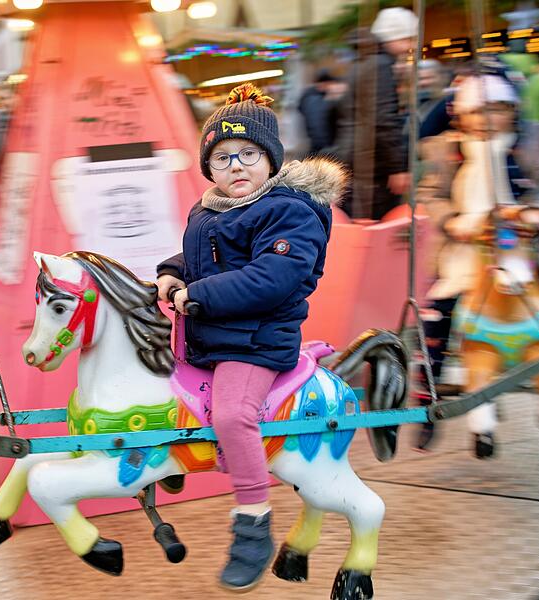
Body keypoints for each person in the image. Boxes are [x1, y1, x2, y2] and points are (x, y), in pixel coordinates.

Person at [155, 83, 346, 591]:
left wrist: (197, 295)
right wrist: (171, 273)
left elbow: (271, 277)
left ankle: (253, 519)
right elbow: (201, 257)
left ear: (270, 159)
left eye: (248, 154)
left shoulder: (290, 211)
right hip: (209, 335)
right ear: (209, 168)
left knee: (232, 414)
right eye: (222, 158)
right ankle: (166, 460)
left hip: (257, 339)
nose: (235, 166)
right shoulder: (211, 208)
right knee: (154, 383)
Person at [415, 73, 528, 450]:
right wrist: (453, 221)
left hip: (516, 251)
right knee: (438, 318)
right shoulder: (449, 151)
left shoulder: (527, 150)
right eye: (477, 112)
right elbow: (432, 195)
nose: (486, 120)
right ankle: (428, 397)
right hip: (463, 252)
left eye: (496, 110)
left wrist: (534, 213)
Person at [332, 7, 417, 220]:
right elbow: (384, 120)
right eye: (408, 39)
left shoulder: (361, 63)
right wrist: (397, 167)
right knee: (378, 226)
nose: (412, 46)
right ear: (393, 37)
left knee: (361, 223)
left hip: (355, 157)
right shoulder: (381, 66)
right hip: (372, 164)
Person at [297, 69, 345, 154]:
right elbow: (319, 130)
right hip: (323, 148)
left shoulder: (308, 96)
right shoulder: (320, 101)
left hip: (315, 146)